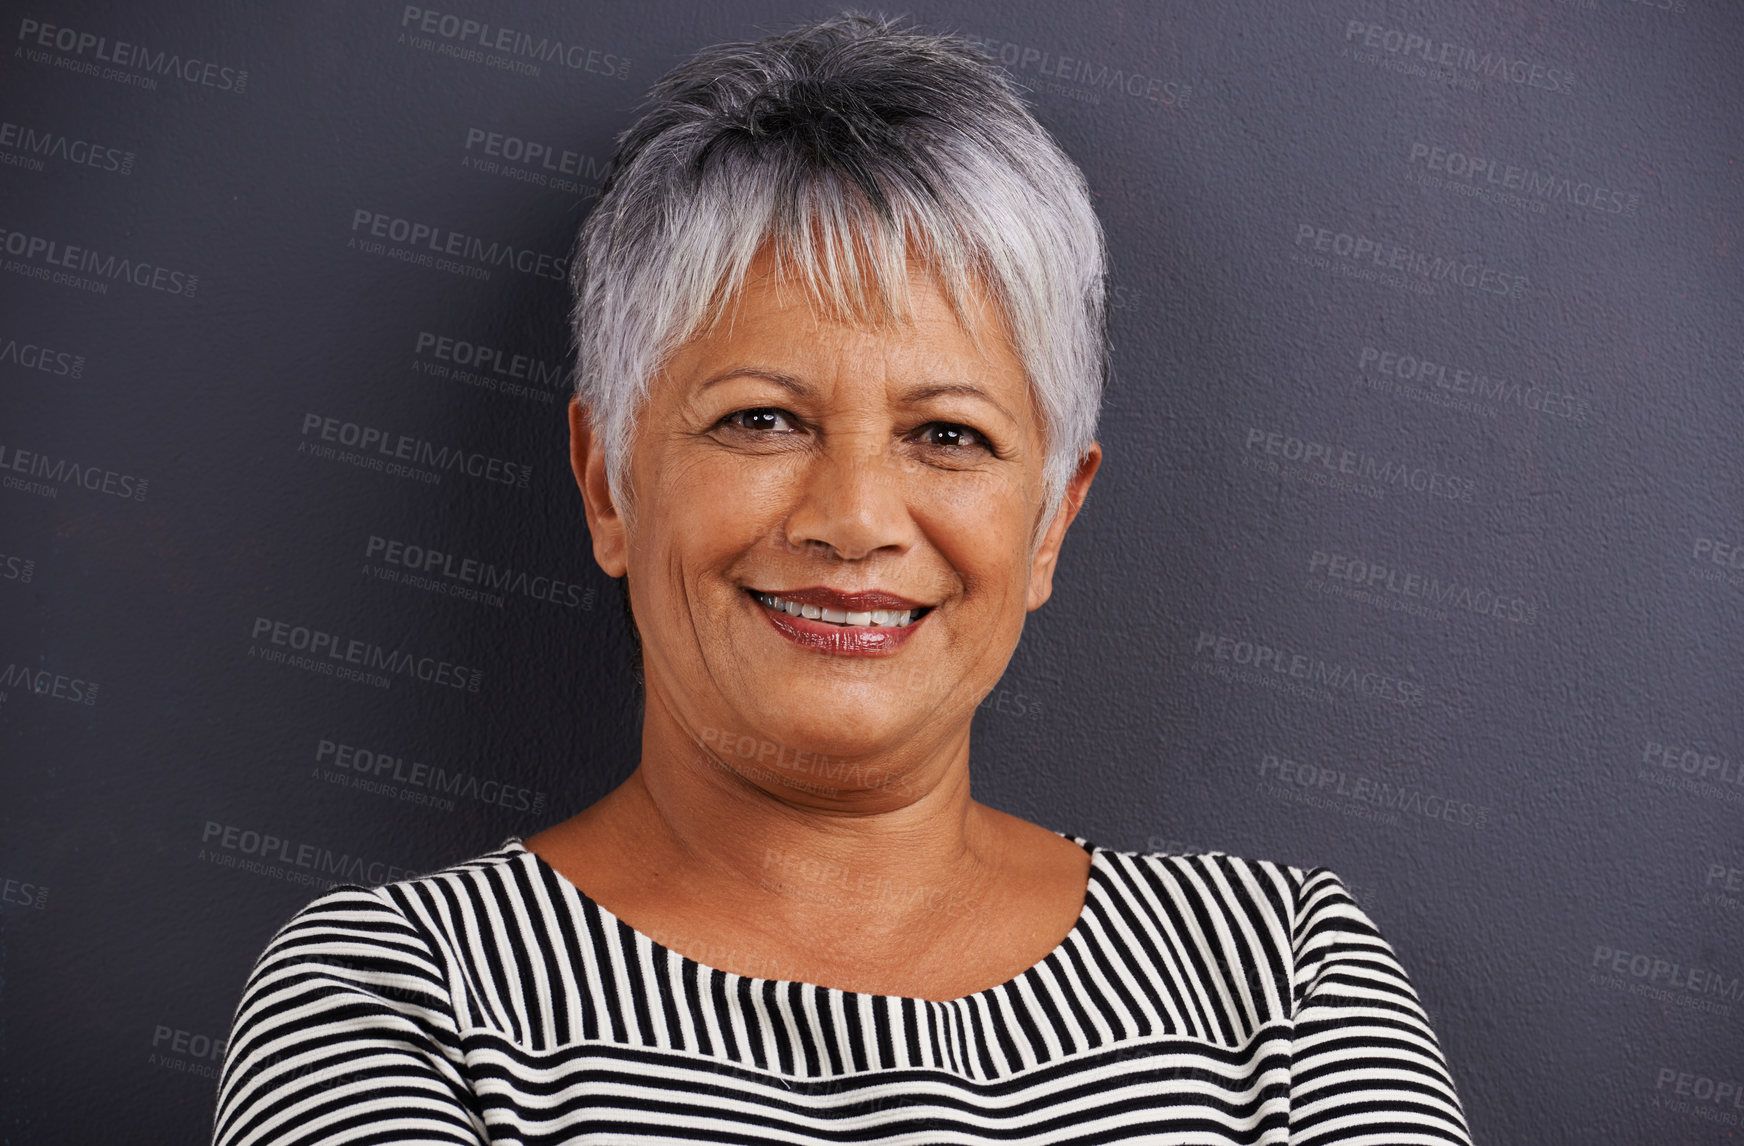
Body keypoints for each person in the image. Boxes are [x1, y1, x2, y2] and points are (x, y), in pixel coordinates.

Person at [213, 13, 1471, 1144]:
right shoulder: (392, 1004)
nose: (856, 521)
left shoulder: (1281, 981)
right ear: (608, 485)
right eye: (761, 420)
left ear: (1047, 523)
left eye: (949, 435)